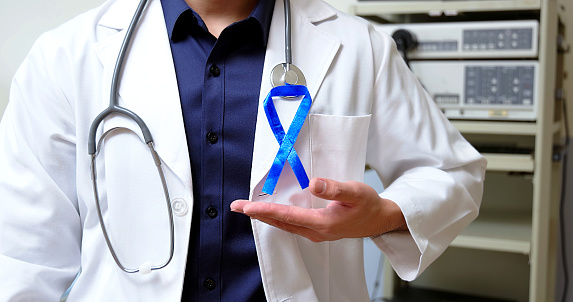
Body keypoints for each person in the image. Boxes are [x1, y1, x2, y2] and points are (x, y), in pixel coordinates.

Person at [0, 0, 486, 300]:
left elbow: (453, 173)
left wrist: (380, 215)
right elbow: (22, 255)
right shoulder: (65, 57)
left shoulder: (360, 47)